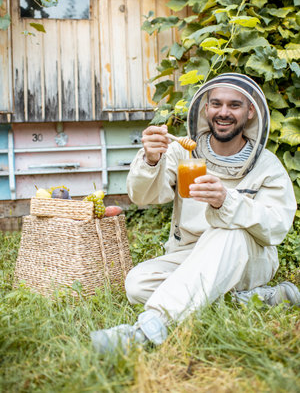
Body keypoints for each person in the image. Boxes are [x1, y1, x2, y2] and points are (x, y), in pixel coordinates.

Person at [91, 73, 299, 354]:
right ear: (206, 107)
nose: (223, 112)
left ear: (251, 111)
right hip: (189, 253)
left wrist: (227, 201)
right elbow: (145, 196)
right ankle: (256, 298)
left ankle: (149, 327)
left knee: (229, 229)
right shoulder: (181, 152)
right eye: (216, 104)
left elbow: (277, 227)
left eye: (234, 105)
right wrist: (151, 160)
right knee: (137, 284)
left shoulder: (267, 166)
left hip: (248, 258)